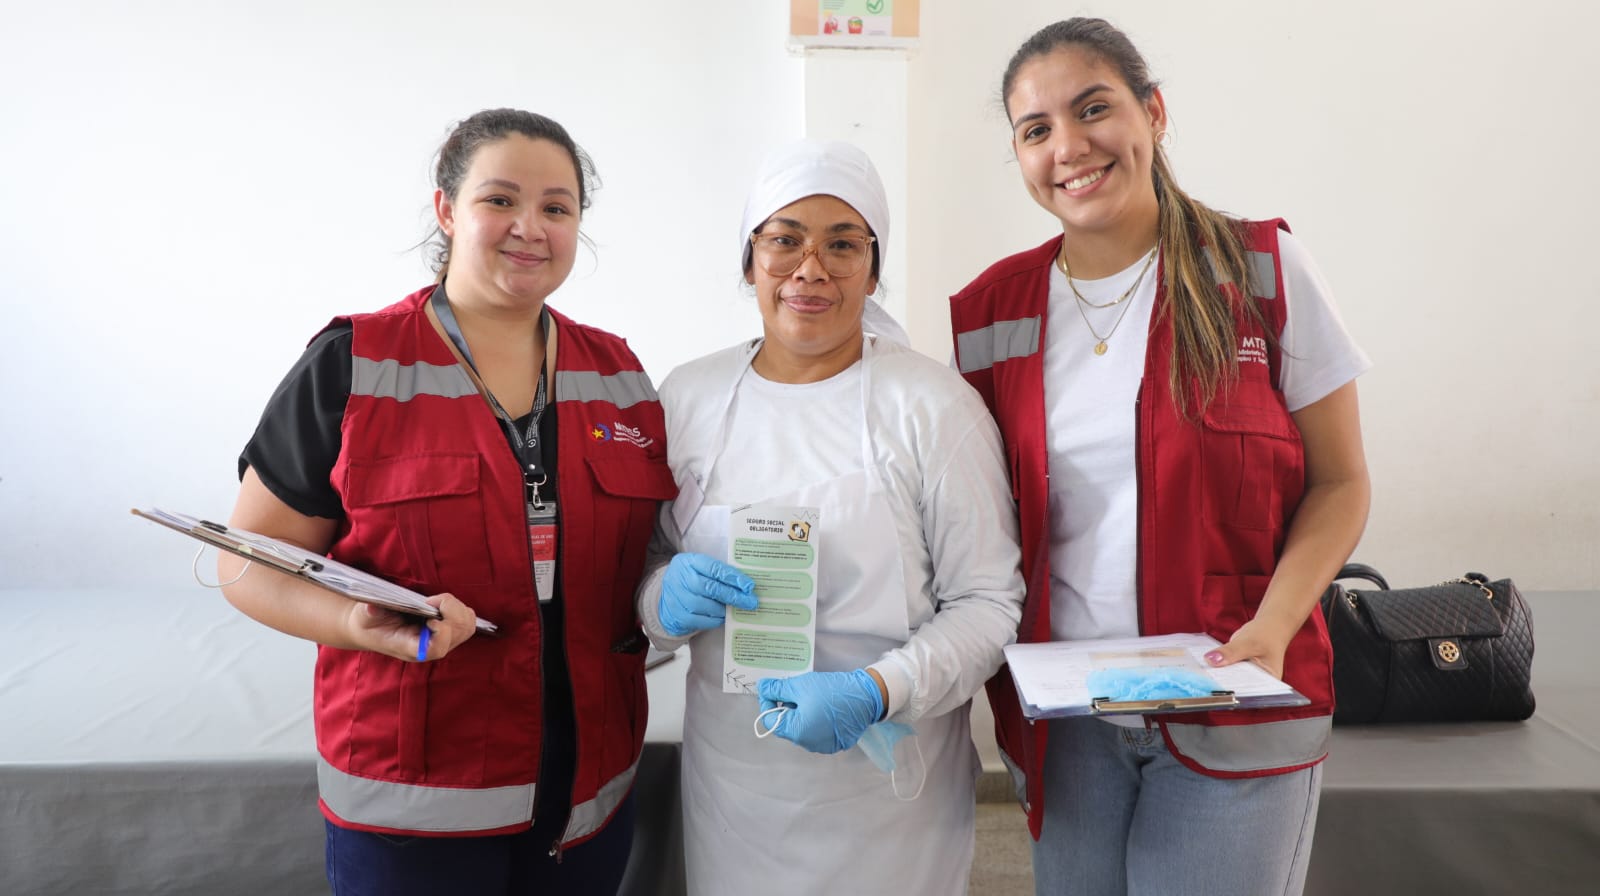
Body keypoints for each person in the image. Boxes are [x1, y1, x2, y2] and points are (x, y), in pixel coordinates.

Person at [949, 18, 1372, 895]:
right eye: (1035, 131)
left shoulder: (1259, 269)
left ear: (1153, 112)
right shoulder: (991, 316)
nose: (1068, 146)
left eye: (1092, 108)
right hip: (1070, 724)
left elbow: (1339, 481)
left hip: (1236, 701)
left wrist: (1274, 628)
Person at [219, 108, 675, 896]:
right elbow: (246, 564)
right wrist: (348, 622)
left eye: (557, 208)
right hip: (412, 806)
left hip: (588, 795)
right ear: (447, 210)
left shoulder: (621, 375)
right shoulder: (354, 364)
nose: (529, 227)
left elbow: (650, 550)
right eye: (500, 200)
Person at [635, 139, 1025, 895]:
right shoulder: (688, 396)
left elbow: (988, 604)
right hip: (735, 780)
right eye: (784, 241)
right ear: (749, 259)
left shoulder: (933, 407)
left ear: (874, 270)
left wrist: (875, 690)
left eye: (842, 245)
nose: (809, 269)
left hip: (888, 790)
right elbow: (646, 565)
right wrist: (661, 600)